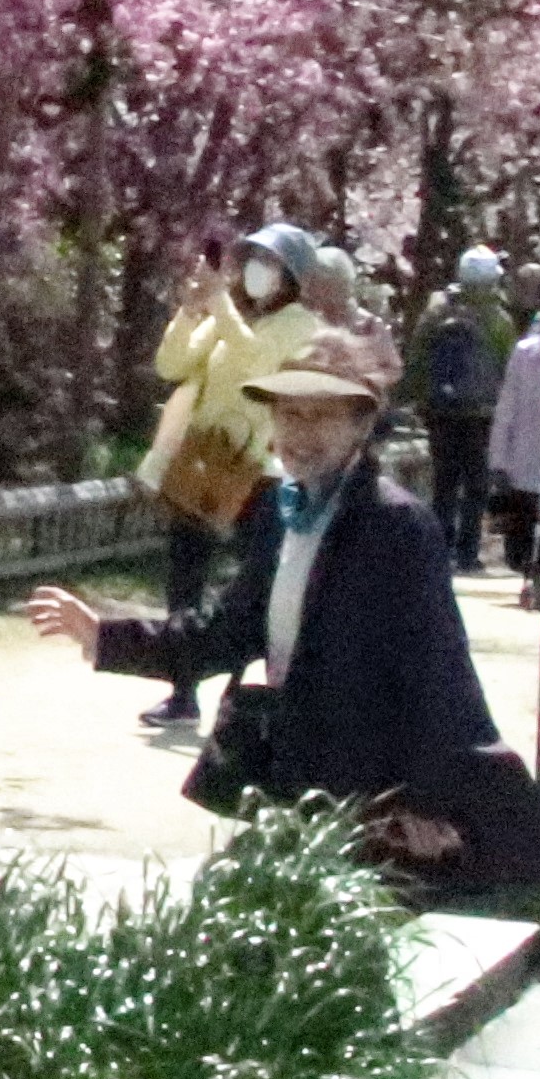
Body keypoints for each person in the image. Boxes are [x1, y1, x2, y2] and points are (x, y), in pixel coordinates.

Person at [25, 333, 540, 890]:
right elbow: (227, 632)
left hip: (374, 788)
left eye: (322, 416)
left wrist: (428, 799)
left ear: (361, 424)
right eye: (290, 415)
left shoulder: (395, 524)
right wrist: (104, 637)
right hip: (297, 774)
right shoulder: (280, 514)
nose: (302, 433)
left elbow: (435, 669)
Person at [132, 224, 328, 731]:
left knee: (257, 583)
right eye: (254, 259)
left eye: (271, 262)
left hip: (261, 472)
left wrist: (219, 303)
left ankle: (259, 692)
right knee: (185, 573)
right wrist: (191, 311)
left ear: (292, 276)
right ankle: (182, 688)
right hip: (206, 461)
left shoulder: (300, 326)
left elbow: (252, 363)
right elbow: (171, 363)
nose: (258, 271)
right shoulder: (231, 313)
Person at [419, 247, 517, 571]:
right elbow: (508, 367)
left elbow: (418, 357)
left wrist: (419, 397)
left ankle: (438, 549)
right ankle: (468, 552)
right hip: (481, 413)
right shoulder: (498, 319)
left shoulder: (436, 312)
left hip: (441, 411)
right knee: (476, 485)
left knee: (444, 482)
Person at [487, 280, 540, 585]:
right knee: (519, 545)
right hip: (522, 461)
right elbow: (506, 407)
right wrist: (498, 459)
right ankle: (530, 580)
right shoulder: (525, 352)